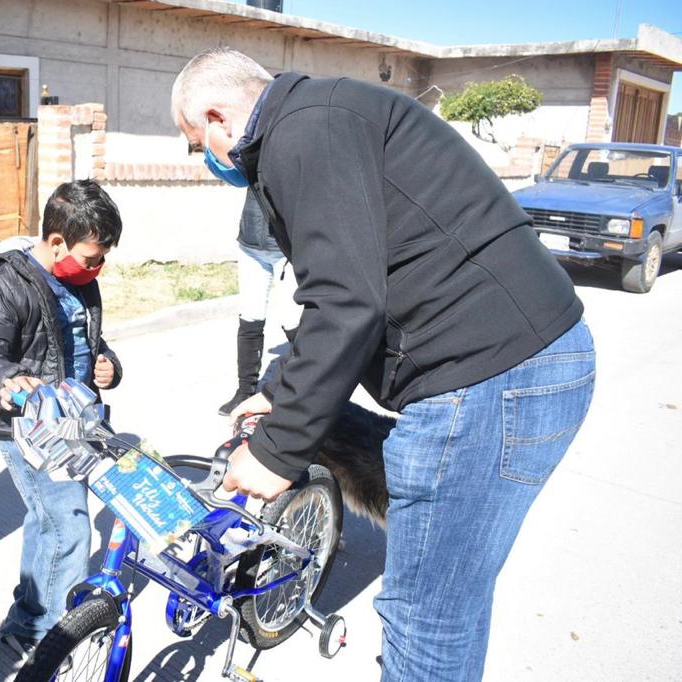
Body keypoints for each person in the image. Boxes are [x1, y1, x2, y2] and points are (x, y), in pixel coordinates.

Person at [171, 48, 596, 681]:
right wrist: (282, 394)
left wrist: (277, 451)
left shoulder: (302, 132)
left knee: (425, 617)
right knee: (447, 599)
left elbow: (347, 300)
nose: (201, 158)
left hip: (490, 380)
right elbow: (352, 289)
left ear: (218, 118)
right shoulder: (323, 115)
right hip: (519, 364)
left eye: (193, 141)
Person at [0, 179, 124, 663]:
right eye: (92, 257)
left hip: (73, 423)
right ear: (56, 243)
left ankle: (28, 620)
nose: (98, 267)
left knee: (46, 520)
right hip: (27, 429)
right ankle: (55, 636)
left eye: (102, 259)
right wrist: (8, 380)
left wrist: (107, 363)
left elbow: (86, 340)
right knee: (70, 525)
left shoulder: (80, 282)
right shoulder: (4, 283)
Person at [217, 189, 300, 416]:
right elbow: (228, 168)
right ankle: (245, 391)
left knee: (292, 320)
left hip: (288, 246)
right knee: (250, 316)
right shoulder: (251, 152)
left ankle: (296, 391)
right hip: (251, 243)